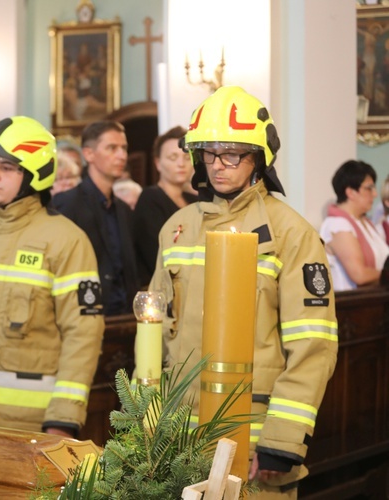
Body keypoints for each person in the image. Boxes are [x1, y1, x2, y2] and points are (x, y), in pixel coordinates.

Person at [147, 86, 338, 498]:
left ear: (259, 158)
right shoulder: (177, 228)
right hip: (177, 436)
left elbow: (313, 346)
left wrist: (280, 444)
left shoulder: (291, 233)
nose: (218, 165)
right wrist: (148, 423)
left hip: (251, 437)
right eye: (209, 153)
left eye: (232, 154)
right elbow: (157, 331)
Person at [0, 116, 105, 436]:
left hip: (32, 425)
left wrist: (63, 420)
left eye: (8, 167)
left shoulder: (67, 240)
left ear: (34, 173)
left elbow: (82, 335)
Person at [52, 120, 139, 316]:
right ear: (89, 154)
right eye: (112, 148)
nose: (121, 155)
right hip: (84, 314)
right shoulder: (67, 203)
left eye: (124, 148)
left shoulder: (123, 210)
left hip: (124, 316)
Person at [132, 126, 198, 287]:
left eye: (186, 157)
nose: (181, 164)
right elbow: (155, 253)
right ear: (158, 163)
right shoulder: (150, 198)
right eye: (173, 157)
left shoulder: (195, 200)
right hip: (163, 286)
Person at [320, 160, 389, 291]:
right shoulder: (337, 225)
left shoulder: (366, 223)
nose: (375, 194)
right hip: (351, 305)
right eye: (369, 188)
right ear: (350, 192)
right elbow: (359, 274)